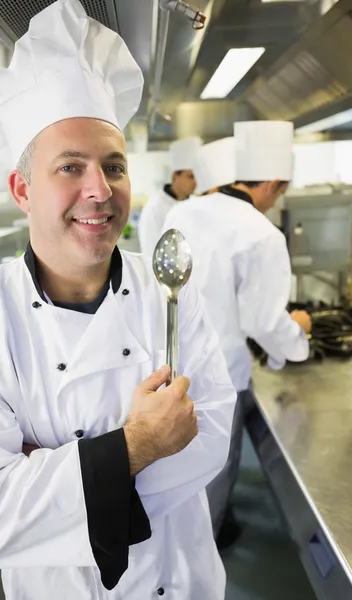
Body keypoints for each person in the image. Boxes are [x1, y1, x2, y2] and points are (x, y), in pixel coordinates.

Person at [0, 1, 237, 599]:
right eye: (70, 166)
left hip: (180, 583)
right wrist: (141, 443)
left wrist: (45, 471)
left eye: (114, 165)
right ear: (22, 189)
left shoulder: (172, 290)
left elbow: (210, 437)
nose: (99, 189)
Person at [163, 123, 312, 549]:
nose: (274, 201)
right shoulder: (262, 233)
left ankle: (183, 553)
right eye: (279, 192)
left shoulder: (183, 211)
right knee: (214, 473)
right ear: (270, 183)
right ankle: (200, 564)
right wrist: (297, 334)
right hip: (221, 375)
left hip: (171, 367)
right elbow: (263, 323)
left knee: (178, 475)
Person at [138, 137, 200, 255]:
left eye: (197, 176)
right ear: (175, 175)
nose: (195, 182)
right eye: (190, 176)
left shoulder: (194, 203)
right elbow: (151, 252)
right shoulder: (155, 208)